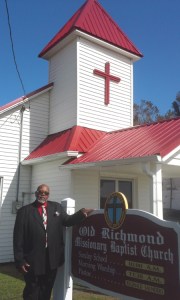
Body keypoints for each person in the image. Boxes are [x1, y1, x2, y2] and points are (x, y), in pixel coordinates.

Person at [13, 184, 93, 300]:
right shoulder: (24, 212)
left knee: (46, 289)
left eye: (45, 193)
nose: (43, 194)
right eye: (40, 192)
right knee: (32, 290)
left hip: (51, 259)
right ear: (36, 193)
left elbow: (68, 221)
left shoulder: (57, 208)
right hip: (32, 260)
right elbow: (18, 238)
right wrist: (20, 260)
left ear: (48, 195)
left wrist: (82, 213)